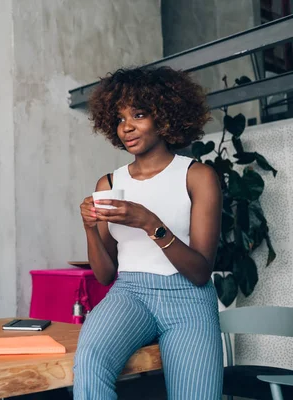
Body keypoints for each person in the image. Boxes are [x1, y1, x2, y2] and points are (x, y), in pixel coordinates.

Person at [74, 66, 223, 399]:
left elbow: (200, 272)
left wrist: (149, 223)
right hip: (129, 293)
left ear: (165, 116)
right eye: (120, 118)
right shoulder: (110, 184)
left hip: (187, 298)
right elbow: (104, 274)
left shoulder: (197, 176)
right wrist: (89, 229)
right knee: (90, 362)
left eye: (138, 115)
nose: (127, 127)